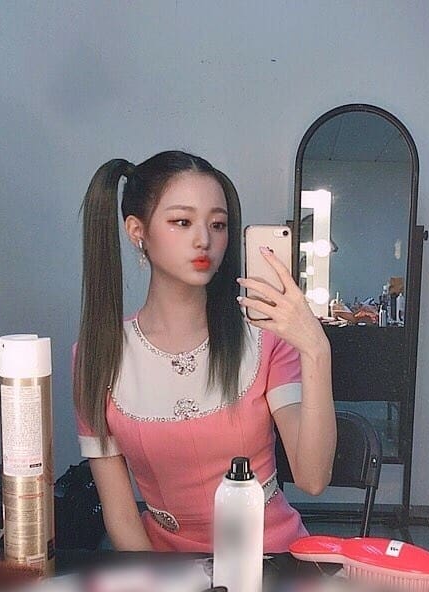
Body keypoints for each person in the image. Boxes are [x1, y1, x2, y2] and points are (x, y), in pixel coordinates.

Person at [73, 151, 336, 552]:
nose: (204, 240)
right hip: (163, 565)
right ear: (136, 230)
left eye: (218, 225)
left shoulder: (264, 338)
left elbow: (313, 478)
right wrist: (158, 584)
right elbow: (121, 515)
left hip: (270, 557)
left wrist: (316, 348)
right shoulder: (97, 356)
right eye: (182, 222)